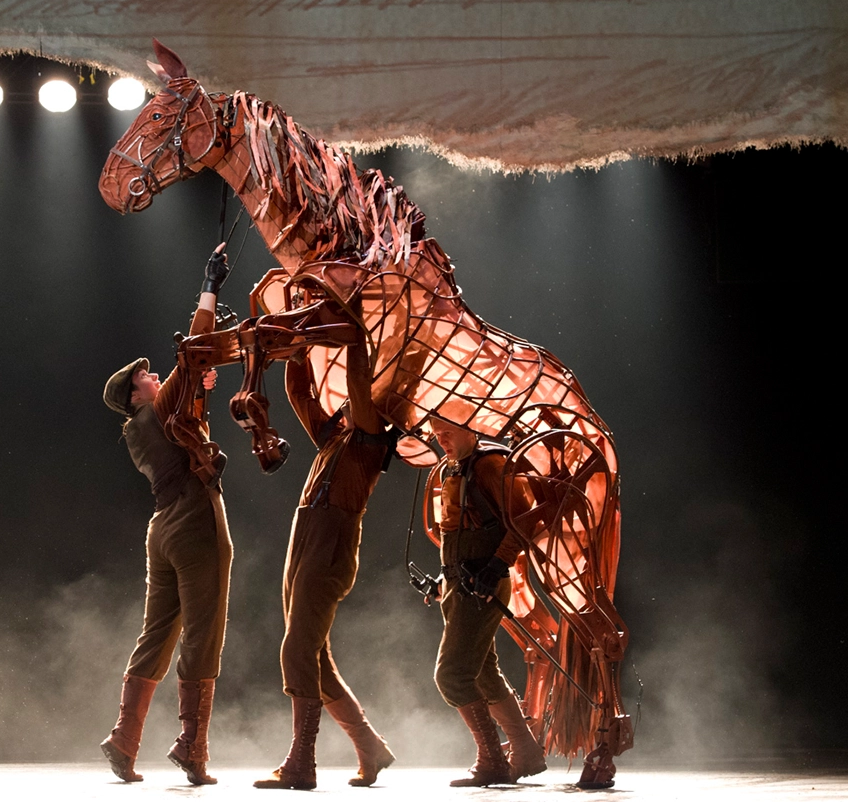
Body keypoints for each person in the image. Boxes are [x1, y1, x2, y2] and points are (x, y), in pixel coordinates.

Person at [99, 246, 234, 786]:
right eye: (147, 375)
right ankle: (192, 747)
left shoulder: (141, 428)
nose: (155, 374)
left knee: (156, 633)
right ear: (137, 394)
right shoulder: (156, 409)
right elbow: (195, 350)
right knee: (204, 631)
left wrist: (195, 397)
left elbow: (188, 393)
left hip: (162, 529)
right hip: (196, 519)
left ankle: (124, 740)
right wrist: (209, 284)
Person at [253, 341, 396, 790]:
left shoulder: (371, 439)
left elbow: (358, 384)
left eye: (356, 401)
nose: (345, 404)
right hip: (307, 538)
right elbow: (300, 395)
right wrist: (295, 351)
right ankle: (370, 748)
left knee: (297, 650)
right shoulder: (336, 439)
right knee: (316, 659)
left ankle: (301, 762)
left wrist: (354, 339)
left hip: (330, 543)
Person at [426, 413, 547, 787]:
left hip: (483, 584)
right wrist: (443, 578)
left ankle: (492, 759)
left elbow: (527, 518)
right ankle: (525, 753)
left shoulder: (491, 465)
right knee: (482, 672)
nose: (441, 440)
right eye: (436, 435)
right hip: (461, 585)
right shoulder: (454, 469)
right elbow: (456, 531)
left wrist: (497, 565)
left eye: (447, 432)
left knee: (452, 675)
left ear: (470, 427)